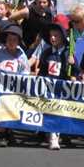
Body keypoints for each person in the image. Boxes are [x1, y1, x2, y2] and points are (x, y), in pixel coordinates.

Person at [30, 22, 70, 150]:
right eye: (51, 36)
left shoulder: (67, 53)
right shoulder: (46, 52)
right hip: (48, 87)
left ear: (62, 37)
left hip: (63, 89)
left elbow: (75, 72)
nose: (53, 38)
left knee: (60, 113)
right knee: (51, 111)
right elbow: (42, 70)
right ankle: (53, 136)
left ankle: (56, 134)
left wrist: (73, 65)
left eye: (56, 36)